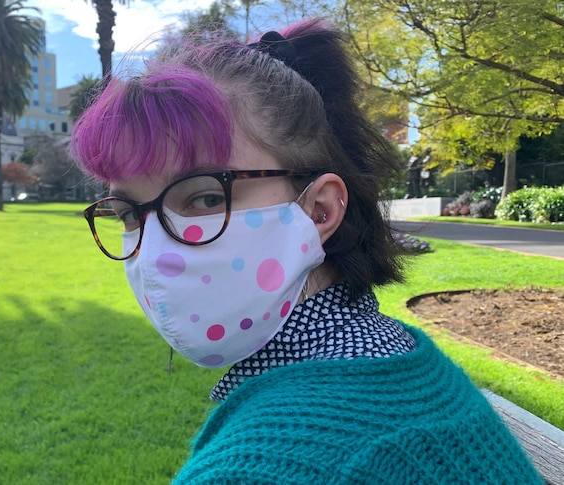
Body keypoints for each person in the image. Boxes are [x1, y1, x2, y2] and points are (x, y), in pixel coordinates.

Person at [70, 19, 542, 484]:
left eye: (206, 197)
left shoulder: (268, 465)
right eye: (129, 213)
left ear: (318, 210)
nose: (156, 252)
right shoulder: (390, 357)